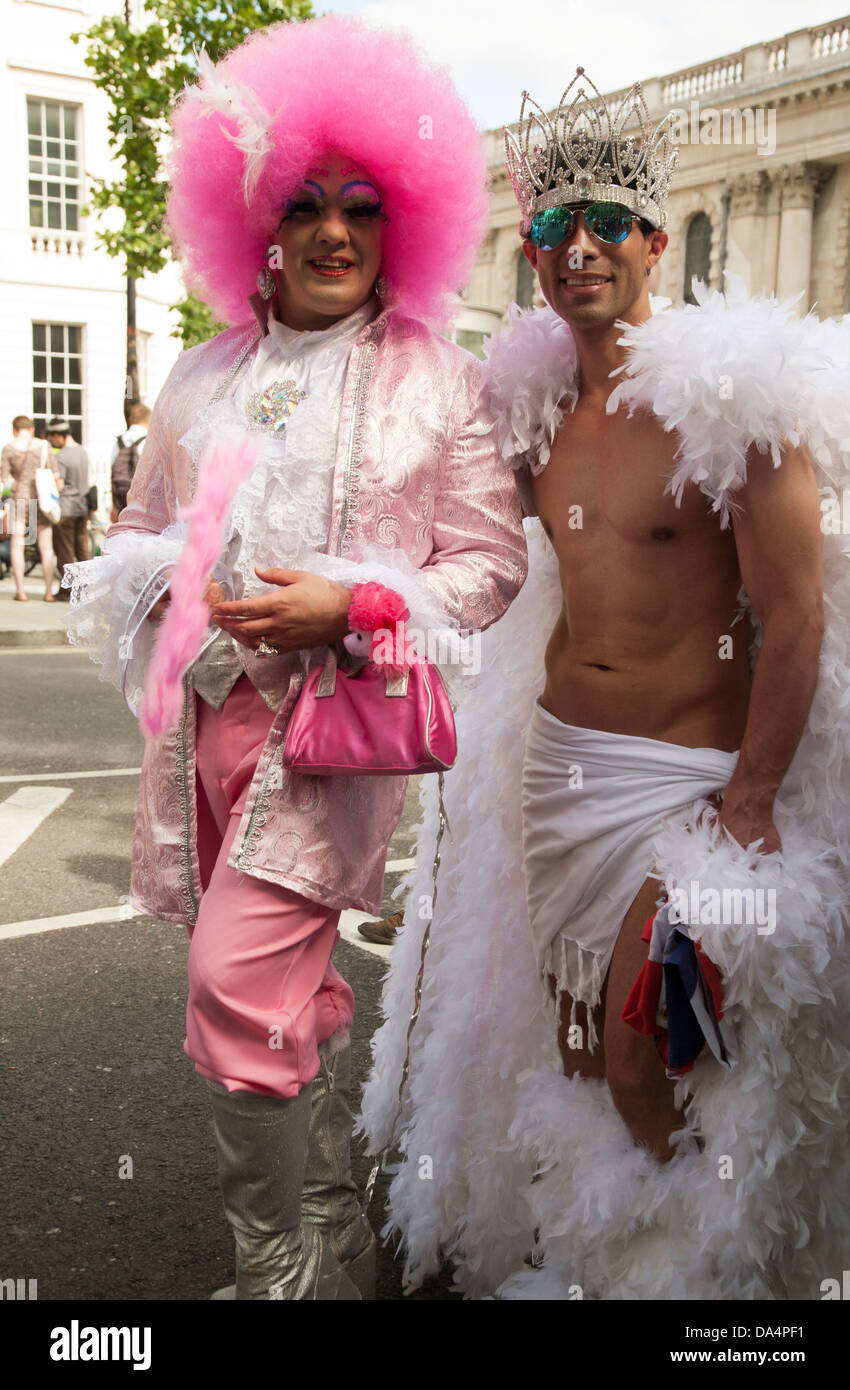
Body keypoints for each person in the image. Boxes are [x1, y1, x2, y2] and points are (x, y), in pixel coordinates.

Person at [362, 69, 850, 1299]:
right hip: (559, 782)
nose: (574, 247)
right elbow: (443, 531)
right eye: (548, 228)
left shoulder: (731, 408)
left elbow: (794, 616)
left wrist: (749, 800)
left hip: (689, 792)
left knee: (654, 1054)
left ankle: (705, 1289)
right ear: (529, 254)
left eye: (601, 225)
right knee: (584, 1046)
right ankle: (611, 1268)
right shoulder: (528, 416)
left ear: (650, 239)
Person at [63, 16, 526, 1302]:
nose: (335, 231)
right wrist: (165, 573)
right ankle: (334, 1227)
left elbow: (489, 566)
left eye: (364, 205)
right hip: (201, 734)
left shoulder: (443, 379)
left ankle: (281, 1280)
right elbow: (140, 528)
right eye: (305, 203)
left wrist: (353, 602)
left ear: (404, 223)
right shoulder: (202, 376)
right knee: (283, 986)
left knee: (230, 985)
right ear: (255, 219)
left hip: (329, 739)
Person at [0, 415, 61, 601]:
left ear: (14, 429)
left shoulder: (9, 449)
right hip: (41, 499)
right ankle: (49, 591)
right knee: (46, 546)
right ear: (32, 428)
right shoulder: (44, 446)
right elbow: (56, 475)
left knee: (17, 545)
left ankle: (21, 590)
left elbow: (3, 479)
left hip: (19, 499)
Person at [47, 417, 91, 599]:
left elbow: (59, 485)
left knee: (64, 551)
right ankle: (88, 586)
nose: (51, 442)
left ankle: (68, 590)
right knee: (83, 549)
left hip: (65, 508)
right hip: (82, 506)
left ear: (58, 435)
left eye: (51, 438)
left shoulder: (62, 456)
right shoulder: (82, 451)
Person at [110, 402, 150, 522]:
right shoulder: (148, 441)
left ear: (130, 420)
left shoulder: (118, 443)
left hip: (120, 499)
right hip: (141, 502)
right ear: (149, 420)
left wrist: (114, 506)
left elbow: (112, 473)